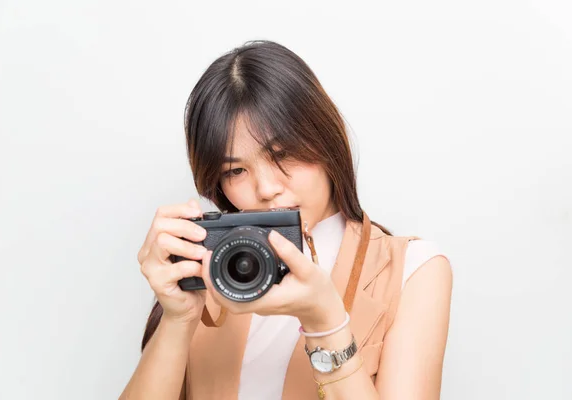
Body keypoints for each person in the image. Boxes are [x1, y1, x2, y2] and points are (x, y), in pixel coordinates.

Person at [120, 40, 453, 400]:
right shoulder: (214, 266)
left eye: (282, 154)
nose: (266, 189)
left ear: (325, 139)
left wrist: (326, 322)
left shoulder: (412, 269)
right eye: (235, 170)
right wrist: (177, 318)